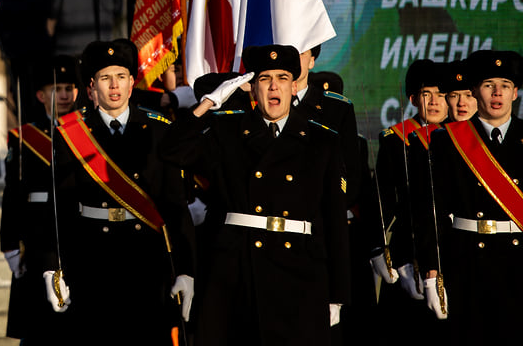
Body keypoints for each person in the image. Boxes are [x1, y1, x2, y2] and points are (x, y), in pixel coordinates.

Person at [161, 44, 350, 345]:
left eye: (282, 78)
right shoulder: (227, 132)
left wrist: (337, 294)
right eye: (265, 79)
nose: (274, 86)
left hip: (299, 273)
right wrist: (206, 104)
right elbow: (171, 151)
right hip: (238, 273)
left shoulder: (322, 140)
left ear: (293, 85)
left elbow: (334, 220)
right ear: (251, 88)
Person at [38, 38, 195, 345]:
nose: (114, 86)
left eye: (121, 76)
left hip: (146, 264)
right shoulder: (70, 135)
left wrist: (186, 270)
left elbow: (175, 207)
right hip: (91, 262)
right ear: (91, 88)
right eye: (105, 78)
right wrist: (50, 267)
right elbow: (56, 210)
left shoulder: (159, 130)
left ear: (132, 83)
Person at [415, 49, 523, 345]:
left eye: (505, 85)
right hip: (466, 266)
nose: (497, 93)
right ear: (475, 91)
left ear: (515, 93)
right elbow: (430, 210)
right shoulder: (448, 139)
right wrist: (431, 272)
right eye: (489, 85)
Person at [0, 54, 80, 343]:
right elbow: (13, 192)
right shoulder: (25, 136)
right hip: (37, 238)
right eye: (57, 89)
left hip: (78, 233)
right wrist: (9, 243)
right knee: (38, 325)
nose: (64, 95)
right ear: (41, 95)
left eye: (69, 88)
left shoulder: (87, 131)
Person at [367, 59, 448, 345]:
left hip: (448, 248)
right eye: (427, 94)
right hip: (407, 249)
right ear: (413, 98)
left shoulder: (459, 137)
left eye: (442, 94)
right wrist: (381, 248)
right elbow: (382, 199)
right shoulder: (395, 139)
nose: (435, 102)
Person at [295, 50, 372, 346]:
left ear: (312, 60)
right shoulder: (261, 107)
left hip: (322, 238)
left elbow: (350, 182)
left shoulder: (337, 110)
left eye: (300, 52)